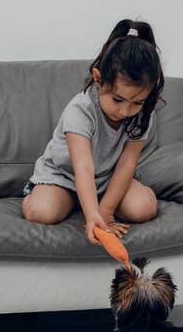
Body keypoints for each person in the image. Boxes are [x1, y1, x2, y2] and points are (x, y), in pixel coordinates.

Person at [22, 18, 164, 245]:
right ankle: (44, 195)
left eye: (136, 102)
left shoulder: (143, 113)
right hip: (65, 177)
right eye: (118, 99)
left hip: (107, 179)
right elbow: (84, 168)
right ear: (99, 80)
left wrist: (106, 210)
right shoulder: (81, 109)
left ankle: (97, 202)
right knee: (41, 212)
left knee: (143, 209)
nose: (126, 111)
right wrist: (92, 215)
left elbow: (127, 164)